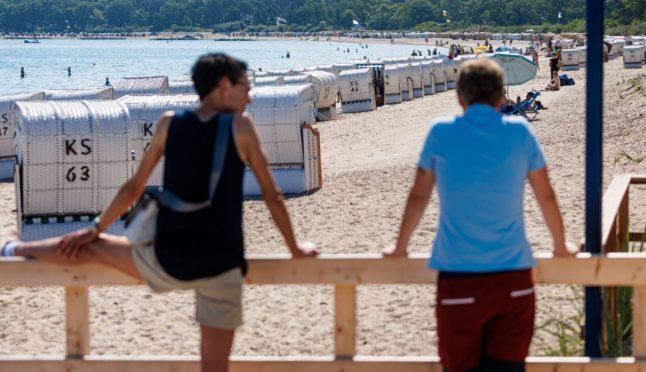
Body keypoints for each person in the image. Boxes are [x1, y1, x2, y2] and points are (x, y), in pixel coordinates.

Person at [0, 53, 317, 372]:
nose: (249, 97)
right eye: (245, 88)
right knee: (215, 368)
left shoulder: (169, 123)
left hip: (170, 259)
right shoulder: (241, 127)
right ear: (224, 85)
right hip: (222, 262)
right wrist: (294, 249)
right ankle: (15, 246)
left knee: (89, 246)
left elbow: (134, 188)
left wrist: (97, 228)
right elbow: (272, 196)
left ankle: (14, 248)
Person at [385, 59, 575, 371]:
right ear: (501, 95)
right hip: (513, 279)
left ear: (459, 97)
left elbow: (419, 196)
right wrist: (560, 247)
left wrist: (400, 248)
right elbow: (546, 196)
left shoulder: (440, 133)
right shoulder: (519, 133)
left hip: (459, 281)